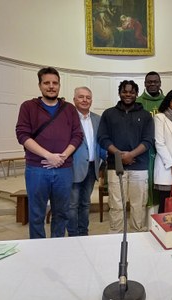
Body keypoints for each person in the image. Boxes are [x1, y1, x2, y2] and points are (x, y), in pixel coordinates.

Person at [16, 67, 83, 239]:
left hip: (63, 169)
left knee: (61, 214)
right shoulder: (28, 107)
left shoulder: (69, 108)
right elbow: (22, 135)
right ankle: (38, 249)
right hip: (37, 169)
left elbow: (77, 135)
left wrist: (63, 156)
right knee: (37, 215)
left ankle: (57, 246)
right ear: (40, 85)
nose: (51, 86)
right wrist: (48, 156)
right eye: (47, 83)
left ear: (59, 85)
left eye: (55, 83)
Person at [97, 80, 154, 233]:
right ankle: (115, 236)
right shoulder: (109, 114)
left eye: (131, 92)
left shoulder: (146, 115)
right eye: (124, 91)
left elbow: (148, 140)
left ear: (136, 94)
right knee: (116, 205)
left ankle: (137, 234)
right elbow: (102, 138)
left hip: (139, 166)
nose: (128, 94)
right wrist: (118, 154)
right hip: (115, 166)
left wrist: (131, 155)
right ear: (119, 93)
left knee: (138, 205)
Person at [68, 87, 106, 237]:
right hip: (74, 167)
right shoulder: (68, 118)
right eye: (81, 97)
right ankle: (72, 234)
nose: (85, 100)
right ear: (74, 100)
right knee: (72, 205)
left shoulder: (98, 118)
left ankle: (83, 233)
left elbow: (101, 142)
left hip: (92, 168)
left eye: (88, 97)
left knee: (85, 204)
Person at [136, 72, 165, 211]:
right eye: (149, 82)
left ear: (160, 83)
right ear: (145, 83)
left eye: (155, 81)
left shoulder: (167, 102)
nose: (152, 84)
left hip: (163, 151)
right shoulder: (138, 102)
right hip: (143, 151)